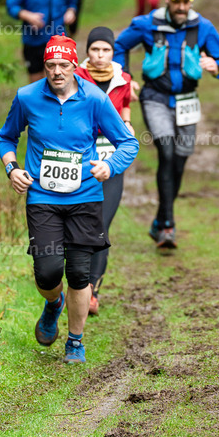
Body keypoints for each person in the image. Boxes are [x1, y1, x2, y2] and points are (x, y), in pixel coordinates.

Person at [0, 35, 139, 363]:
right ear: (44, 66)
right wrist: (12, 168)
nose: (57, 71)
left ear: (75, 66)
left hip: (85, 196)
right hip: (42, 197)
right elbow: (6, 136)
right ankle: (53, 303)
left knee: (78, 273)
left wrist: (109, 165)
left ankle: (75, 339)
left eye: (63, 65)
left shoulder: (95, 100)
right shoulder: (27, 97)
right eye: (50, 65)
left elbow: (128, 143)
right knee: (47, 272)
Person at [114, 0, 219, 249]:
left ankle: (159, 219)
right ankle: (168, 225)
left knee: (179, 161)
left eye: (185, 1)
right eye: (176, 1)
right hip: (155, 97)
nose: (181, 6)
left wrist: (216, 66)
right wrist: (125, 76)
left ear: (191, 2)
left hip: (187, 102)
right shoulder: (147, 24)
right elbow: (120, 45)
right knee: (166, 151)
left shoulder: (203, 27)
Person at [75, 26, 134, 315]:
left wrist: (128, 125)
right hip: (80, 159)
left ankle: (92, 290)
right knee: (79, 224)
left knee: (101, 224)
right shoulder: (75, 77)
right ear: (88, 51)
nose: (100, 55)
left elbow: (125, 108)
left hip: (112, 161)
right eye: (95, 49)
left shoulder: (124, 78)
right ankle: (76, 285)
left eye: (105, 50)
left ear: (113, 53)